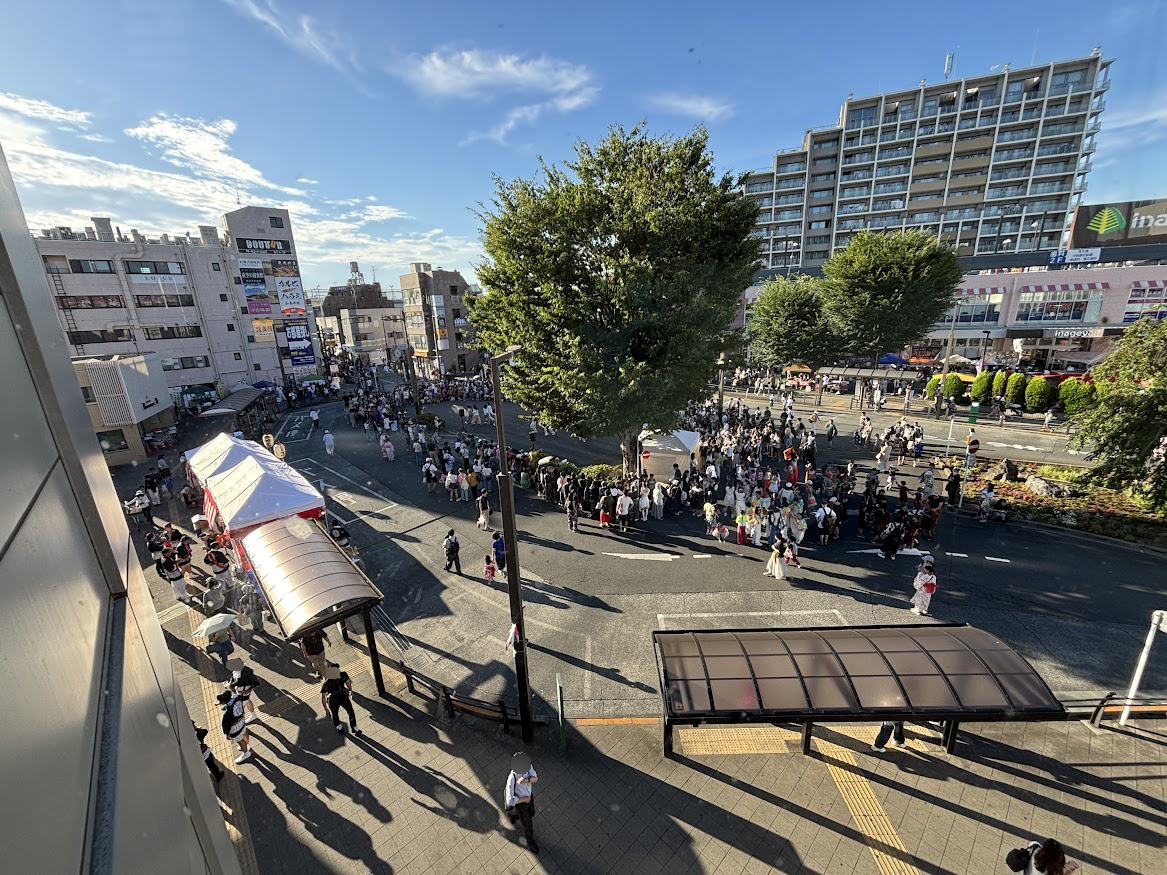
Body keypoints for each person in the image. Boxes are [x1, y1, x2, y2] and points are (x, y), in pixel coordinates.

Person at [504, 752, 539, 853]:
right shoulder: (512, 778)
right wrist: (524, 800)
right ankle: (531, 841)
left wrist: (526, 780)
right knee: (528, 824)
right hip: (521, 803)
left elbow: (535, 778)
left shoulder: (527, 766)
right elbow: (509, 800)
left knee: (532, 812)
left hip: (529, 797)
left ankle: (514, 816)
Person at [321, 663, 362, 736]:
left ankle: (354, 727)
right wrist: (326, 709)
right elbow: (323, 697)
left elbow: (347, 682)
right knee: (335, 714)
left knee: (351, 711)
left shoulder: (343, 675)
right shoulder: (327, 683)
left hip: (343, 696)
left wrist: (350, 690)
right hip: (333, 700)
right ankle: (338, 726)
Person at [217, 689, 253, 764]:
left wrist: (227, 734)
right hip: (242, 721)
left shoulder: (227, 713)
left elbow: (226, 725)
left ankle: (246, 753)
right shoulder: (236, 698)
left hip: (236, 729)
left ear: (224, 702)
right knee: (244, 732)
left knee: (240, 740)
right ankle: (247, 745)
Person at [224, 658, 259, 724]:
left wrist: (230, 685)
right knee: (247, 701)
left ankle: (240, 722)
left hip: (243, 692)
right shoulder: (243, 670)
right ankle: (253, 715)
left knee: (240, 708)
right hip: (244, 692)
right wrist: (229, 683)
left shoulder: (243, 674)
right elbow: (234, 677)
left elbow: (238, 682)